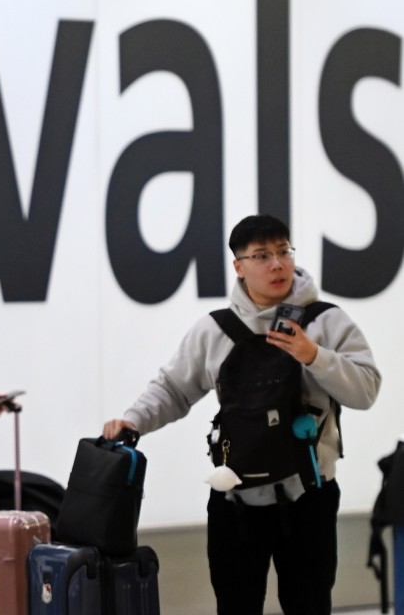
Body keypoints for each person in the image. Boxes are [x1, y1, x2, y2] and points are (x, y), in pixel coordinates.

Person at [103, 214, 380, 615]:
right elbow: (172, 387)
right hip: (235, 498)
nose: (277, 264)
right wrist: (133, 420)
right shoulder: (215, 330)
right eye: (262, 255)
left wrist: (315, 356)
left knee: (309, 604)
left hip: (309, 496)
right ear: (239, 266)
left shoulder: (326, 321)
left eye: (284, 251)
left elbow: (366, 389)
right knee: (235, 605)